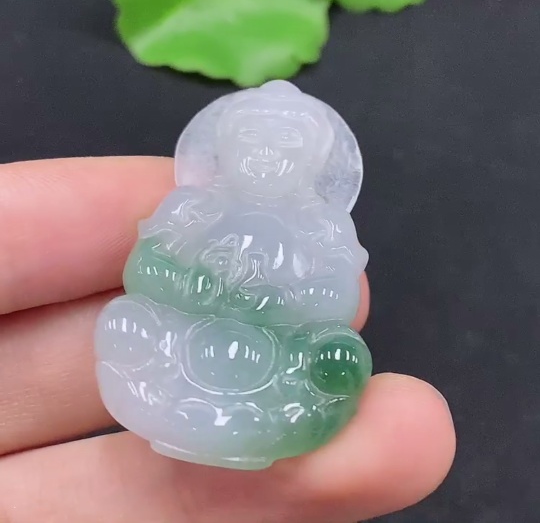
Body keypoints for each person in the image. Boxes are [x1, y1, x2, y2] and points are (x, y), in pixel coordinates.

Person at [0, 156, 455, 522]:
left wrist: (274, 302)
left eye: (286, 145)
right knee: (126, 317)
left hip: (279, 354)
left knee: (337, 356)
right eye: (251, 139)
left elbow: (336, 297)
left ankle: (262, 422)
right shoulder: (193, 207)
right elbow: (147, 269)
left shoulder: (324, 225)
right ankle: (168, 402)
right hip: (183, 340)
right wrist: (196, 285)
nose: (266, 156)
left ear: (312, 159)